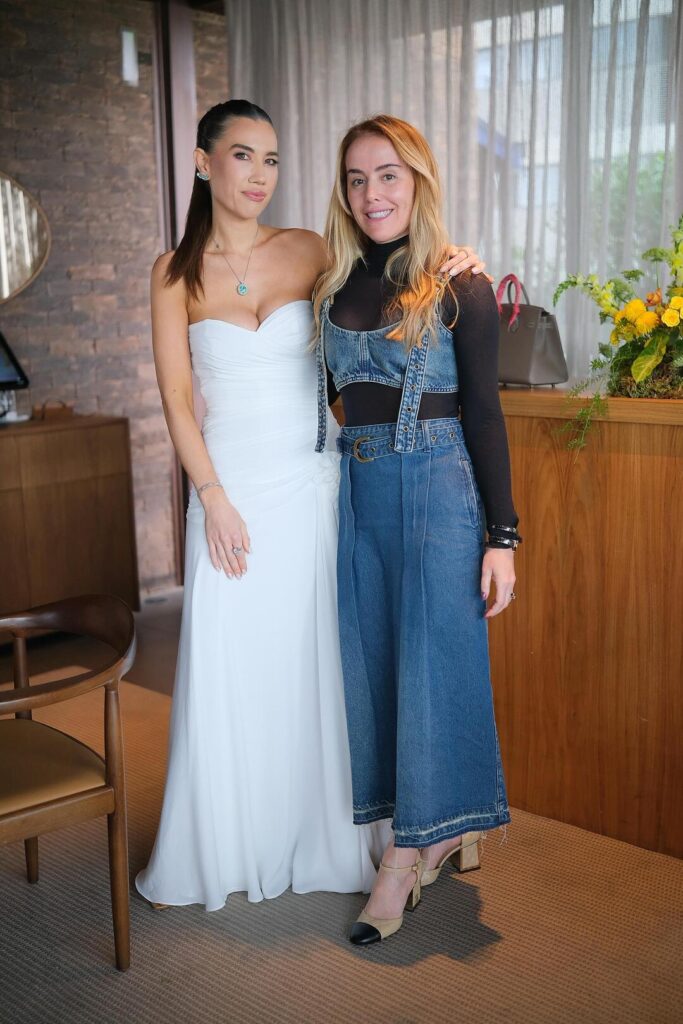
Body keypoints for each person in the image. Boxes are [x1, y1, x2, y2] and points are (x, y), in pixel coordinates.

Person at [135, 100, 488, 910]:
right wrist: (212, 497)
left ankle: (341, 834)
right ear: (203, 164)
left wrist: (457, 258)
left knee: (321, 667)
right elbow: (178, 400)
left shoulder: (306, 250)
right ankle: (235, 842)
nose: (259, 174)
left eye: (271, 159)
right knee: (235, 666)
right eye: (241, 156)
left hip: (312, 486)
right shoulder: (171, 274)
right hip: (227, 493)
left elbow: (386, 273)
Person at [313, 114, 520, 944]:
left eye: (388, 175)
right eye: (357, 178)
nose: (373, 194)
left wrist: (502, 537)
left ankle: (403, 860)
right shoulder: (329, 285)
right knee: (375, 667)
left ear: (419, 181)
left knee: (433, 669)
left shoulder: (459, 286)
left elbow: (485, 416)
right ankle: (439, 833)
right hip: (356, 495)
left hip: (438, 489)